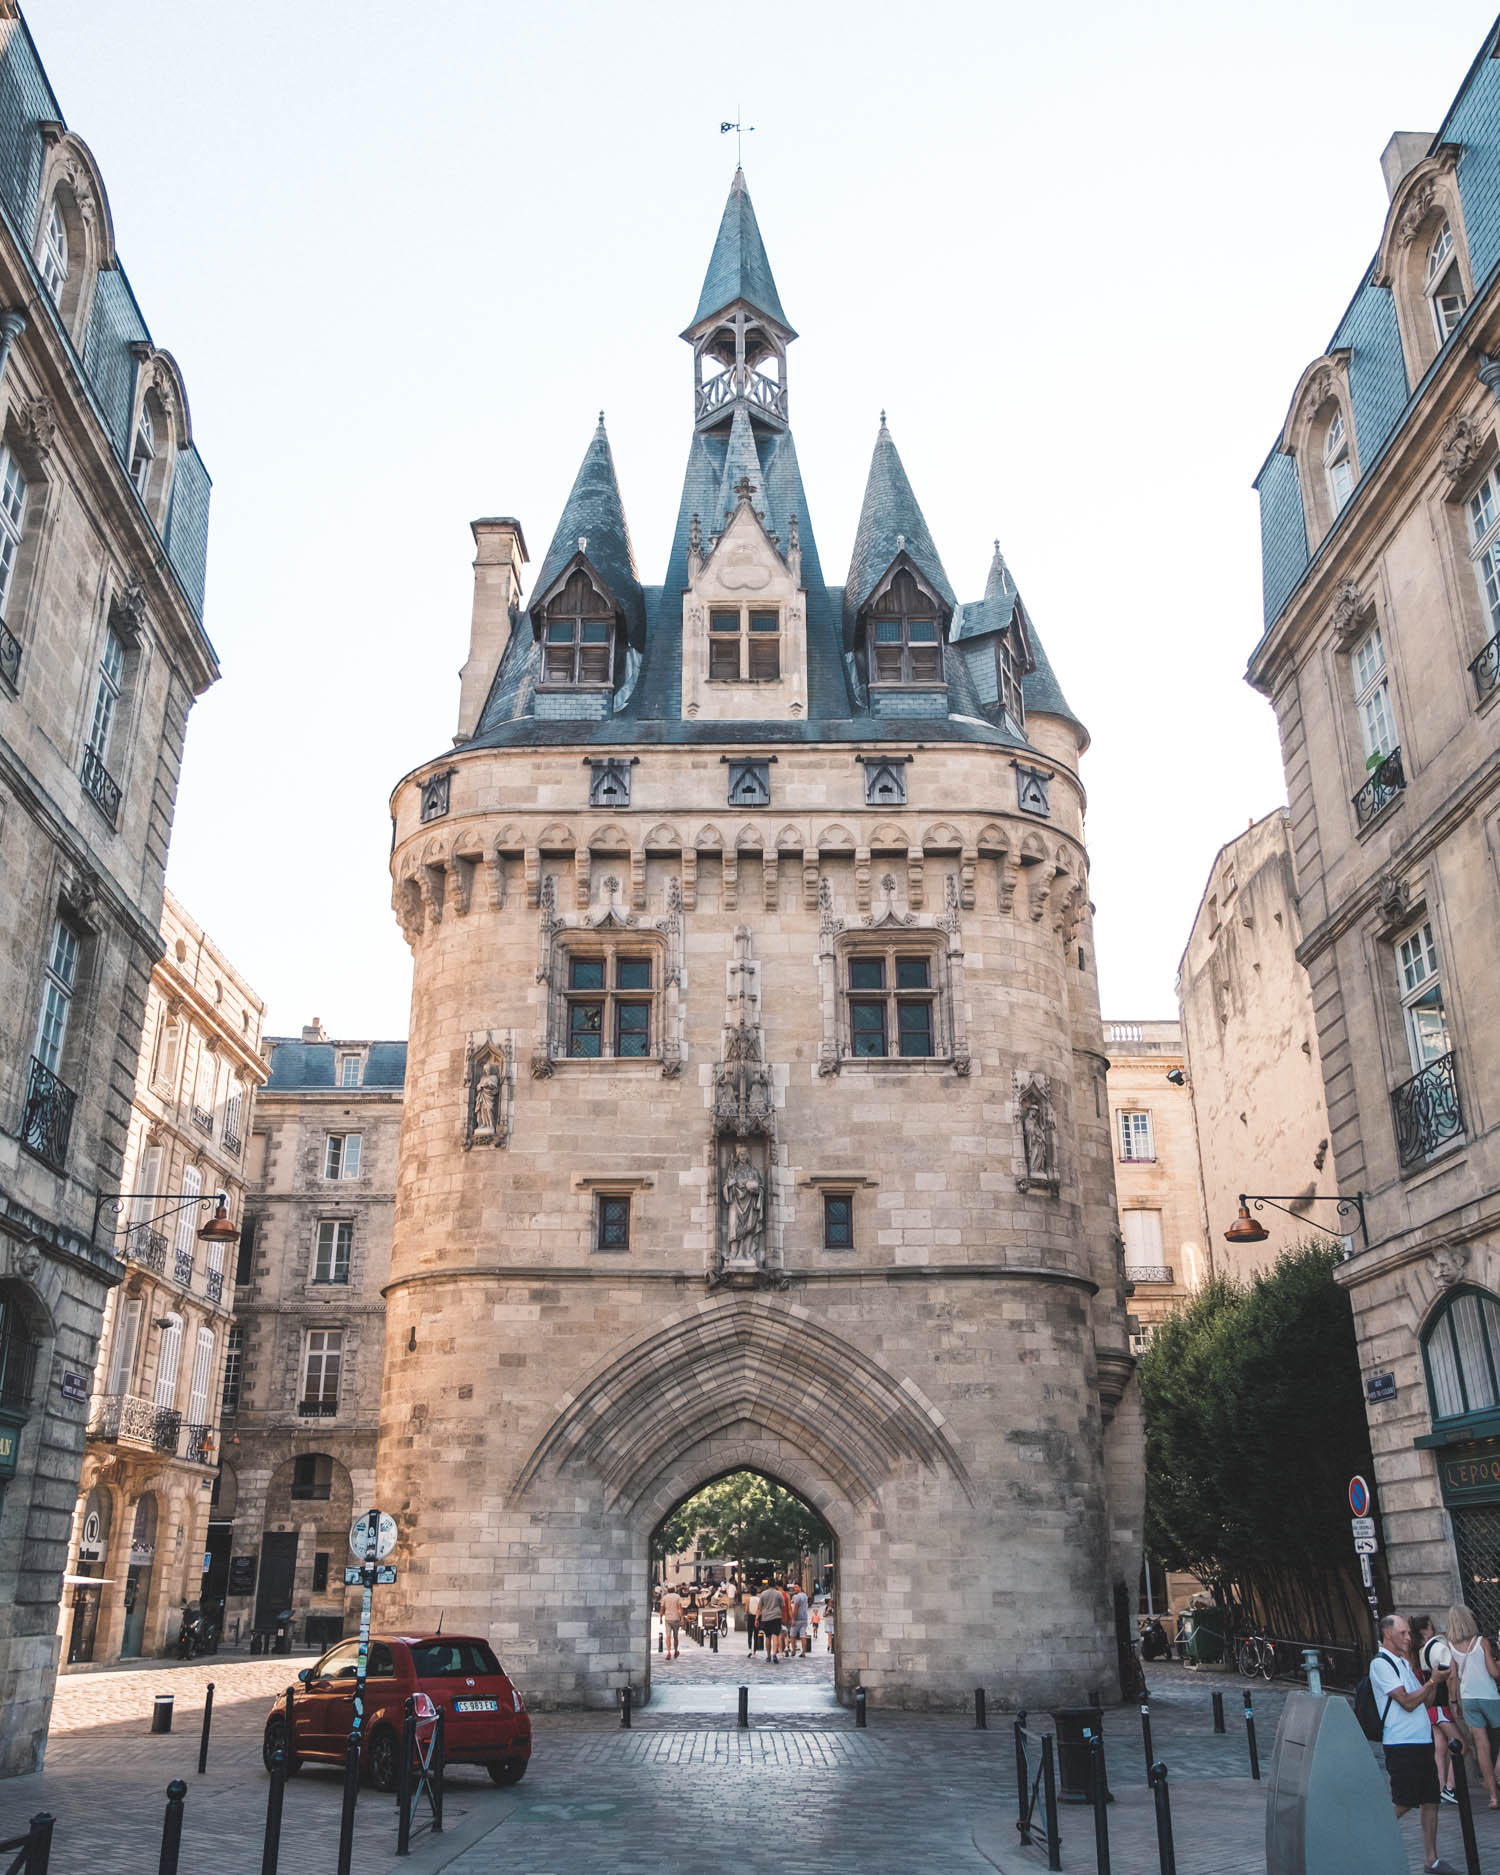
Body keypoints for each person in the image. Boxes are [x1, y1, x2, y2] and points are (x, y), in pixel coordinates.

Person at [1370, 1612, 1459, 1874]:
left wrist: (1434, 1680)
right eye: (1403, 1633)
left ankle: (1431, 1859)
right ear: (1388, 1635)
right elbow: (1407, 1702)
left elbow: (1425, 1703)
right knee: (1405, 1800)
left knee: (1431, 1799)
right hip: (1401, 1743)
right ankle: (1369, 1837)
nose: (1409, 1637)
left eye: (1409, 1632)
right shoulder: (1381, 1664)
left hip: (1421, 1741)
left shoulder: (1403, 1662)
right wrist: (1431, 1681)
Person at [1445, 1604, 1500, 1809]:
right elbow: (1494, 1672)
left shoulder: (1450, 1645)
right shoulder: (1481, 1642)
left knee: (1481, 1746)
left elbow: (1452, 1677)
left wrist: (1453, 1702)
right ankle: (1497, 1772)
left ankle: (1493, 1797)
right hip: (1489, 1696)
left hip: (1468, 1699)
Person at [1410, 1614, 1465, 1806]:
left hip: (1429, 1705)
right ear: (1426, 1628)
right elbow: (1450, 1675)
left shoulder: (1419, 1650)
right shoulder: (1437, 1648)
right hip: (1439, 1704)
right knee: (1462, 1744)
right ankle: (1449, 1787)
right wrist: (1453, 1699)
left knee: (1440, 1746)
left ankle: (1441, 1788)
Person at [757, 1580, 786, 1663]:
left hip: (765, 1617)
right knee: (775, 1636)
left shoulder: (763, 1594)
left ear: (768, 1585)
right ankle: (774, 1654)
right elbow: (783, 1606)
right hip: (776, 1617)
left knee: (767, 1637)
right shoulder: (778, 1594)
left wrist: (756, 1618)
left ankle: (768, 1655)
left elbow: (760, 1607)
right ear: (775, 1585)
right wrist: (783, 1617)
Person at [660, 1582, 684, 1661]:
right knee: (675, 1636)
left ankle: (669, 1652)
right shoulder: (678, 1597)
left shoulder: (665, 1597)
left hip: (668, 1618)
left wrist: (660, 1617)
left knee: (668, 1636)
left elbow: (662, 1608)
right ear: (674, 1589)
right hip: (676, 1618)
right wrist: (682, 1618)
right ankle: (676, 1650)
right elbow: (680, 1608)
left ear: (668, 1589)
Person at [789, 1581, 811, 1656]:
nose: (795, 1588)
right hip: (804, 1618)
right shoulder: (805, 1596)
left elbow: (796, 1608)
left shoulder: (797, 1597)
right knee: (802, 1636)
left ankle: (793, 1650)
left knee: (792, 1635)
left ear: (800, 1587)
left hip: (798, 1618)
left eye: (796, 1587)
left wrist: (793, 1619)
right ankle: (803, 1652)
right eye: (794, 1587)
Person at [746, 1587, 760, 1654]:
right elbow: (760, 1609)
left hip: (750, 1617)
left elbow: (746, 1610)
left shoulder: (748, 1599)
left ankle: (750, 1649)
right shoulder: (759, 1599)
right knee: (756, 1634)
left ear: (750, 1593)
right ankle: (755, 1650)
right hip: (757, 1617)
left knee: (750, 1633)